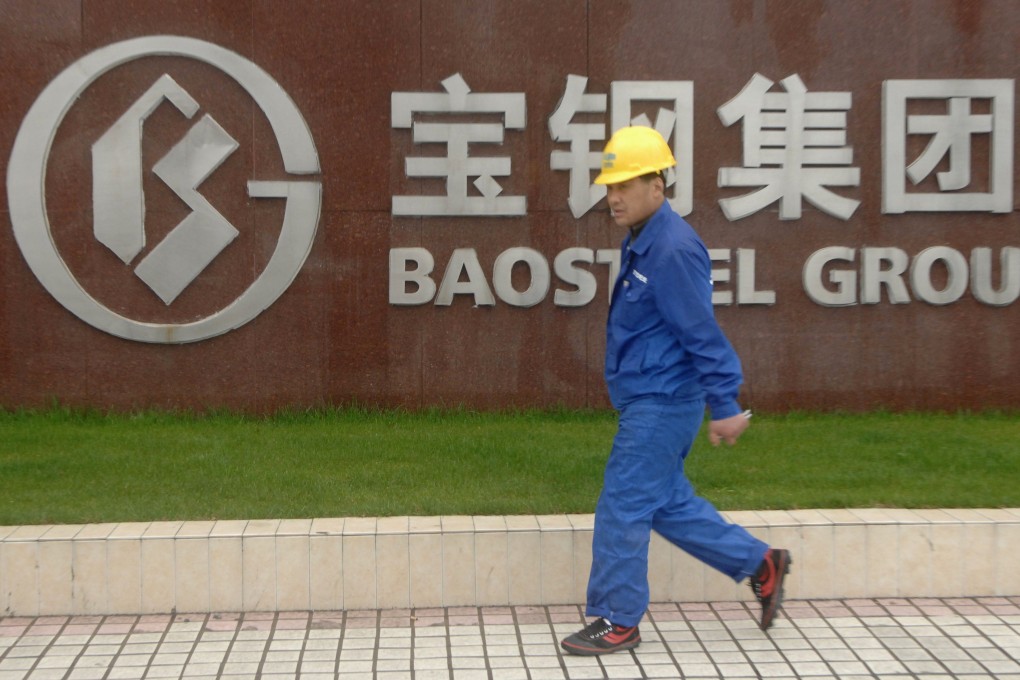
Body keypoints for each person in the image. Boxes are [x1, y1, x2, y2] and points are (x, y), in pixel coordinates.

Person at [560, 126, 791, 657]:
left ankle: (618, 619)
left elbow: (701, 333)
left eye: (625, 185)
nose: (614, 197)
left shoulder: (672, 249)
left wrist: (725, 403)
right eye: (610, 186)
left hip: (662, 401)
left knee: (623, 503)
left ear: (657, 186)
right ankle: (761, 563)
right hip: (651, 396)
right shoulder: (644, 238)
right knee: (665, 501)